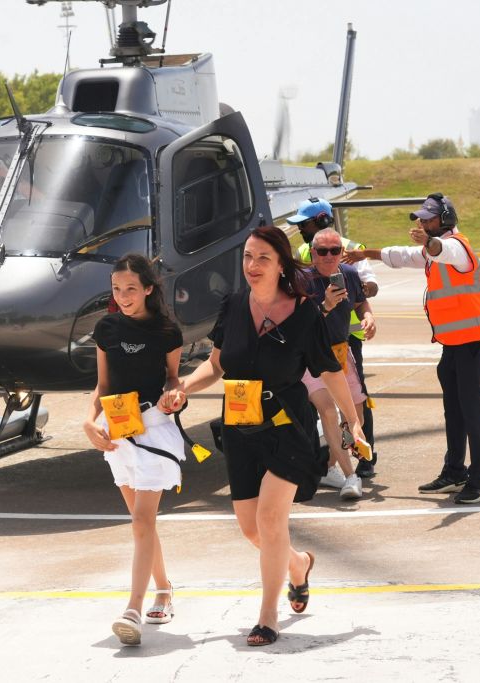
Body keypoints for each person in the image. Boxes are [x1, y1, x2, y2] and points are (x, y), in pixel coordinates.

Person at [162, 226, 365, 646]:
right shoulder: (234, 305)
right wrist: (183, 386)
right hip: (239, 425)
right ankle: (297, 564)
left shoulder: (305, 313)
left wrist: (353, 421)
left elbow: (329, 370)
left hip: (287, 425)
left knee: (272, 519)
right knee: (253, 529)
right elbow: (217, 365)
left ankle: (267, 615)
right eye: (247, 258)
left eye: (262, 259)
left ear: (281, 264)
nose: (252, 267)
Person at [345, 193, 480, 503]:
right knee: (454, 411)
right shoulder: (430, 252)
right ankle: (454, 473)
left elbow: (442, 250)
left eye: (429, 219)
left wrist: (429, 242)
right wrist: (366, 254)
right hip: (452, 345)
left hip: (473, 343)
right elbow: (400, 255)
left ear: (446, 220)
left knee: (473, 411)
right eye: (421, 219)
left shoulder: (457, 247)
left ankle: (479, 480)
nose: (423, 223)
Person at [83, 254, 184, 647]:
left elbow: (173, 379)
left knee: (141, 523)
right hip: (116, 429)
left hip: (155, 429)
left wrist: (175, 393)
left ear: (147, 289)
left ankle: (132, 609)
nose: (123, 296)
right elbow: (103, 385)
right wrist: (88, 421)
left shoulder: (166, 331)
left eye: (130, 289)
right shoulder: (105, 328)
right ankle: (164, 588)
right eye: (115, 289)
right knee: (143, 523)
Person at [288, 198, 380, 478]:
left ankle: (359, 457)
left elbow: (368, 290)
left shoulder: (351, 253)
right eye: (322, 251)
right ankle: (330, 463)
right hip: (311, 346)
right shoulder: (303, 255)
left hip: (345, 343)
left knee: (356, 404)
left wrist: (365, 309)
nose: (301, 230)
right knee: (318, 407)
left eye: (305, 224)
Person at [301, 228, 376, 500]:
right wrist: (325, 305)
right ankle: (350, 475)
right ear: (313, 253)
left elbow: (361, 302)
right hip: (310, 357)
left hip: (341, 354)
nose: (329, 256)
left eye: (335, 250)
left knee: (356, 417)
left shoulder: (350, 275)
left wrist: (368, 317)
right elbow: (298, 323)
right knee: (327, 411)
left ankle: (331, 465)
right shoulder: (302, 280)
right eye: (322, 251)